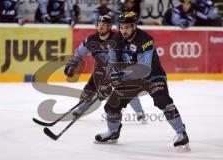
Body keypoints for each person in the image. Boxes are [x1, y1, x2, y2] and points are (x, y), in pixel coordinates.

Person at [95, 12, 190, 152]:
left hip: (153, 76)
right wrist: (105, 82)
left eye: (127, 27)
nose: (123, 30)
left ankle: (181, 133)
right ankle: (113, 131)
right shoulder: (116, 38)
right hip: (130, 77)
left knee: (163, 101)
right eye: (121, 27)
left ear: (134, 26)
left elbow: (144, 68)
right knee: (111, 106)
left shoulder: (146, 40)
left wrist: (121, 75)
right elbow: (112, 63)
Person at [64, 15, 146, 121]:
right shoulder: (91, 39)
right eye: (99, 24)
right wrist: (71, 64)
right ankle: (80, 109)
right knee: (89, 88)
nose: (100, 27)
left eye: (104, 25)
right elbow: (79, 53)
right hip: (101, 70)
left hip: (118, 69)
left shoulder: (118, 38)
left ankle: (139, 112)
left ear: (109, 27)